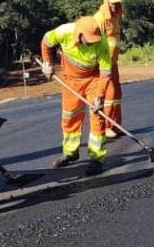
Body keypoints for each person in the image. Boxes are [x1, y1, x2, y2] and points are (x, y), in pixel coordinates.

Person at [40, 16, 112, 176]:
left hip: (93, 80)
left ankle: (97, 159)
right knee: (70, 116)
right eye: (89, 40)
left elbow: (106, 71)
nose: (93, 43)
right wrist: (47, 63)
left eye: (95, 40)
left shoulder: (102, 42)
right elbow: (45, 42)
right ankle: (70, 152)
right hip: (70, 80)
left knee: (97, 116)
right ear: (79, 34)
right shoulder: (64, 31)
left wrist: (100, 95)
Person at [93, 0, 124, 139]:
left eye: (117, 3)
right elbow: (94, 41)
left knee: (117, 94)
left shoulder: (115, 17)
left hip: (113, 62)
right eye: (112, 3)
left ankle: (116, 124)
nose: (114, 6)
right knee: (109, 95)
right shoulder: (100, 18)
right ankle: (107, 126)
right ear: (106, 3)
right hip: (104, 64)